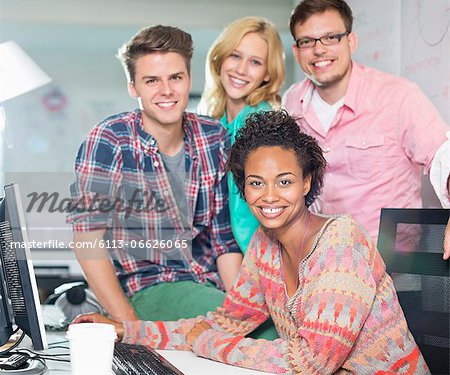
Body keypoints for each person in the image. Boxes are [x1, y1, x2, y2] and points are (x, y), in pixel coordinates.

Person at [73, 110, 428, 374]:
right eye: (256, 183)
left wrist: (209, 344)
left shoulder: (341, 241)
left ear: (307, 182)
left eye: (284, 181)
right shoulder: (265, 243)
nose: (269, 196)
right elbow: (225, 322)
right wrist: (126, 330)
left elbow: (312, 361)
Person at [66, 25, 243, 323]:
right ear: (133, 87)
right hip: (147, 289)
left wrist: (241, 309)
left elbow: (224, 242)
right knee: (266, 336)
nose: (167, 90)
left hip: (208, 285)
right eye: (151, 80)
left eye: (176, 77)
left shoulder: (213, 137)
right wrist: (130, 326)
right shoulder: (110, 140)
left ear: (188, 79)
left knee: (267, 326)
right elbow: (87, 240)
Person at [282, 0, 450, 258]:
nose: (319, 50)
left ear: (351, 41)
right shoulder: (292, 102)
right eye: (307, 41)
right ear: (296, 51)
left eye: (330, 37)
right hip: (318, 265)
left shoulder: (399, 97)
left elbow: (444, 155)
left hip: (390, 268)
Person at [200, 16, 285, 254]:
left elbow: (256, 203)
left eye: (255, 62)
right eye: (235, 56)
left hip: (253, 251)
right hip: (220, 249)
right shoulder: (214, 118)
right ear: (220, 57)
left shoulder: (261, 120)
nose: (241, 69)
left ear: (268, 73)